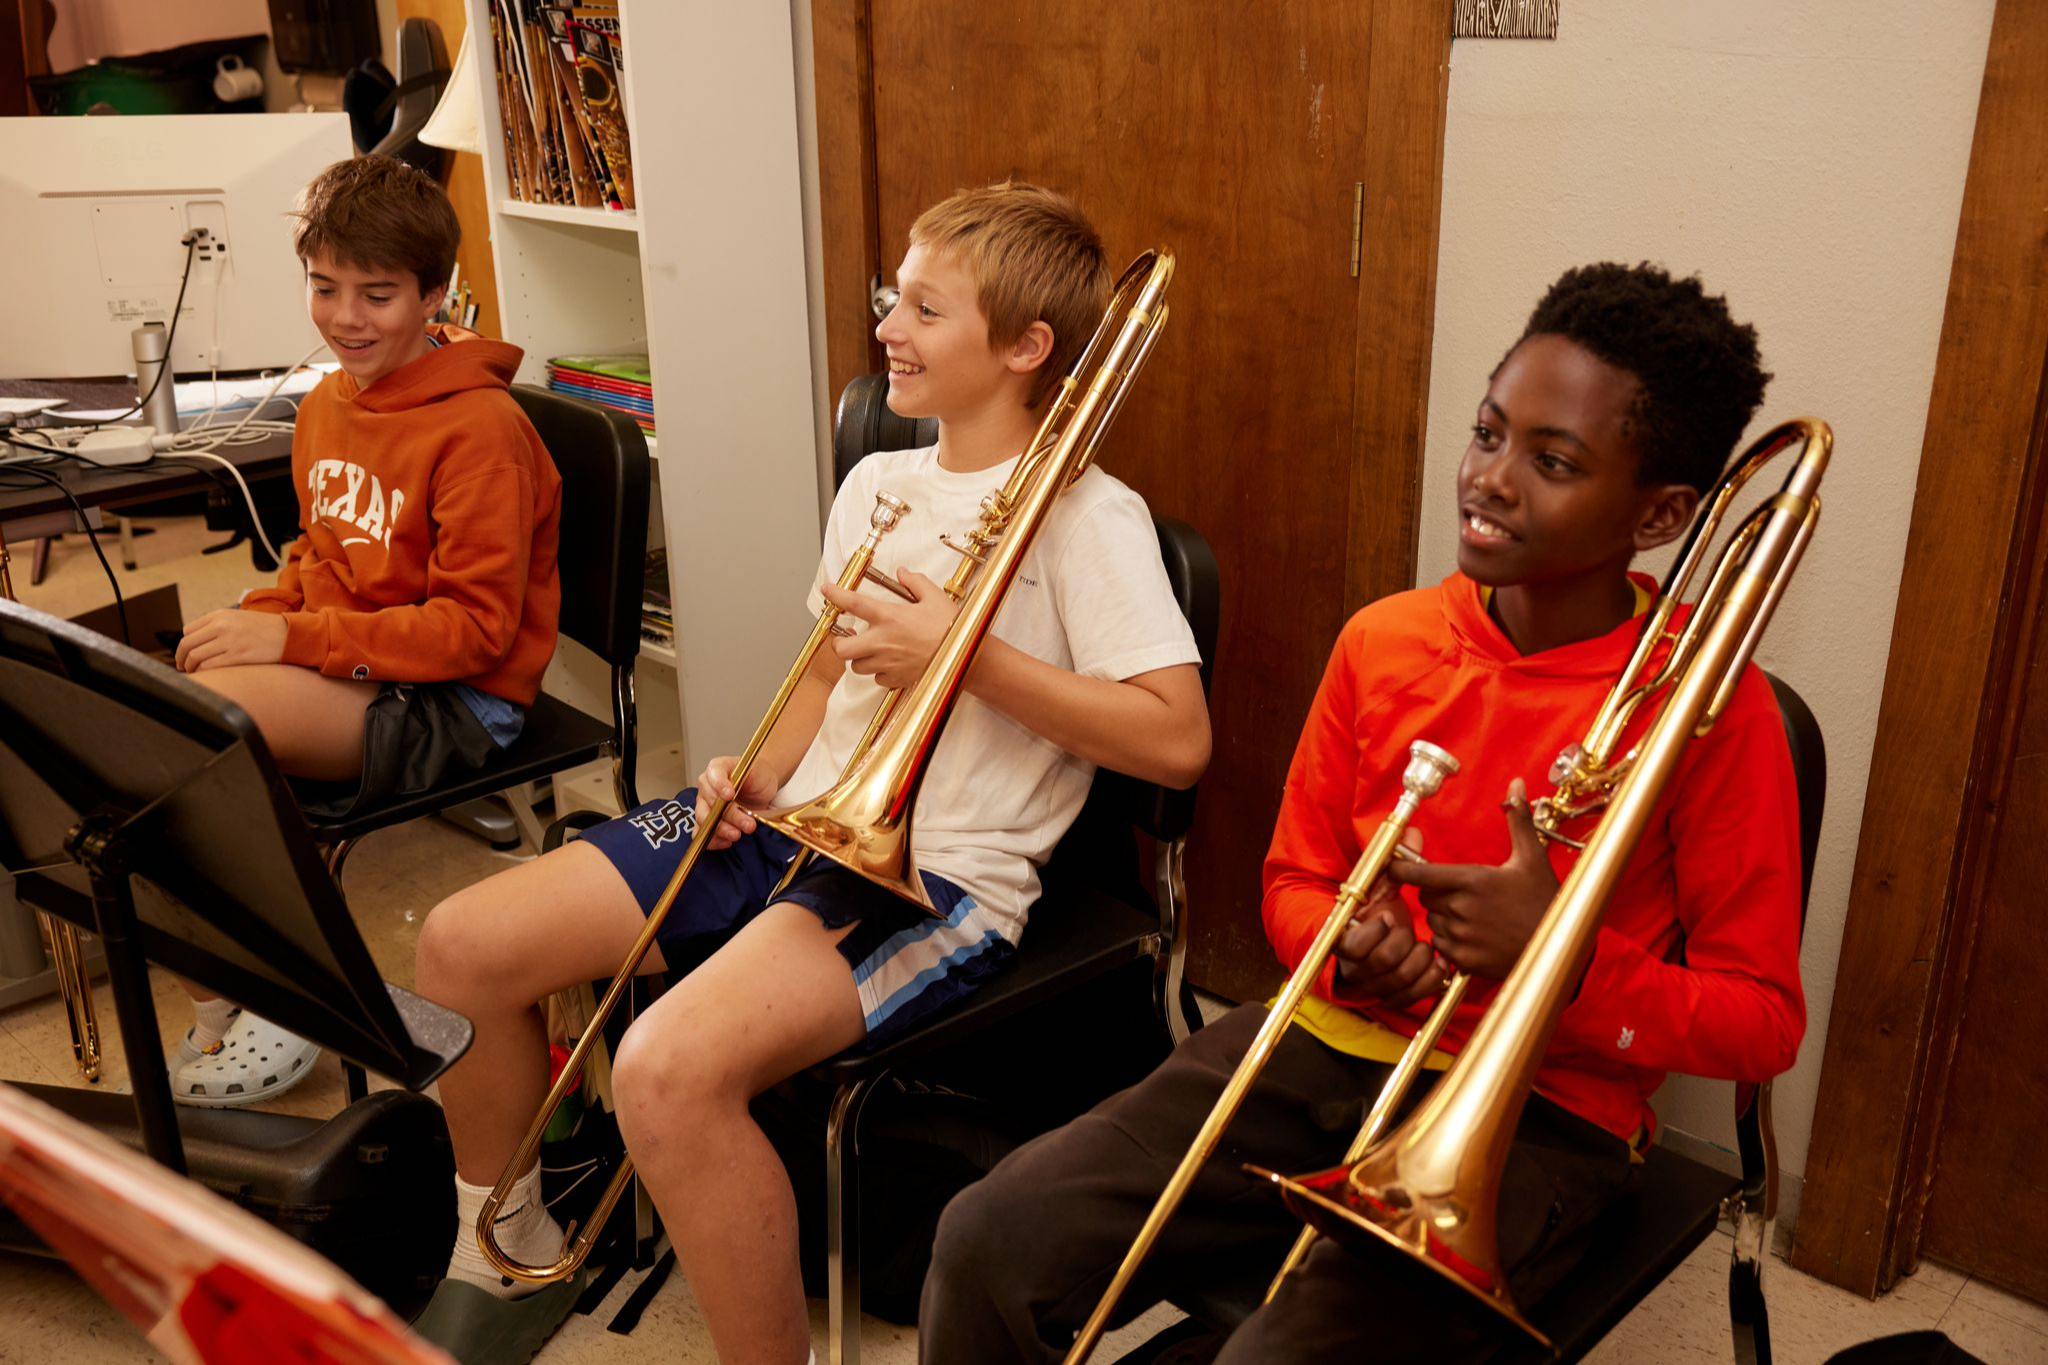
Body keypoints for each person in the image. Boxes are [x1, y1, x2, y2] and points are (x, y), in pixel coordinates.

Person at [920, 261, 1806, 1364]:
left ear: (1661, 514)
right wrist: (1349, 948)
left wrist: (1559, 965)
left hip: (1546, 1110)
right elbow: (1291, 886)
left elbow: (1759, 1021)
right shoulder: (1384, 639)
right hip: (1324, 1039)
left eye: (1552, 462)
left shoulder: (1715, 713)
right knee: (987, 1237)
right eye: (1487, 433)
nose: (1488, 479)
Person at [409, 181, 1212, 1365]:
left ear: (1025, 348)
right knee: (459, 948)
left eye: (927, 310)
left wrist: (965, 656)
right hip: (802, 819)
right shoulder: (876, 485)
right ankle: (502, 1246)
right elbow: (827, 695)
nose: (889, 324)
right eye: (896, 296)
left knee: (664, 1072)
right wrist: (750, 776)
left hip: (931, 875)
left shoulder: (1091, 519)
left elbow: (1175, 739)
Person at [168, 154, 562, 1108]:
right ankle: (235, 976)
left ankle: (302, 994)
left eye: (377, 295)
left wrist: (290, 644)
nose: (346, 317)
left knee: (215, 734)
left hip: (462, 696)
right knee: (152, 714)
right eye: (325, 286)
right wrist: (263, 616)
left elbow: (473, 634)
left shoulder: (481, 433)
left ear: (435, 295)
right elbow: (318, 557)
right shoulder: (326, 405)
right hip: (364, 661)